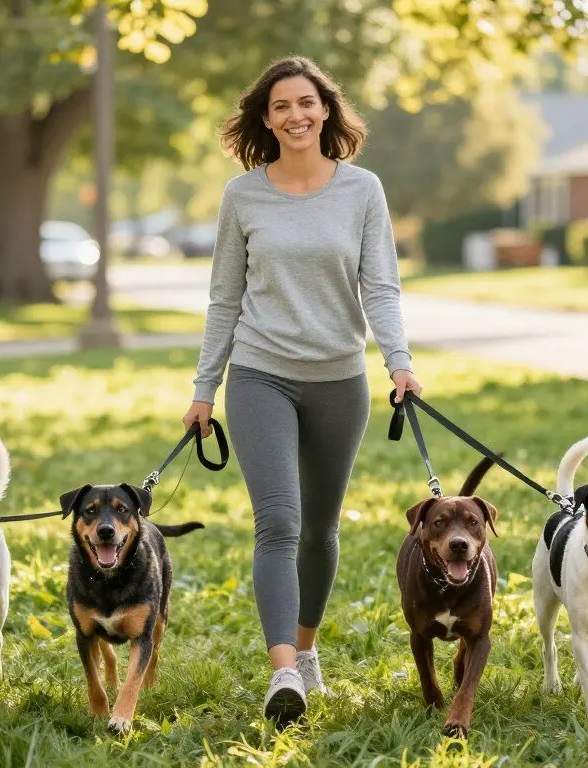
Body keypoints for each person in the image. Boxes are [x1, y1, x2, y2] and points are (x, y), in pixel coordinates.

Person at [181, 56, 423, 726]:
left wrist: (399, 362)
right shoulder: (243, 196)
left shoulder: (362, 190)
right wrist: (205, 389)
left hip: (341, 379)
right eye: (282, 105)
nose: (296, 115)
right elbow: (224, 299)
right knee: (279, 523)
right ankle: (282, 671)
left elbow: (380, 287)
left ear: (327, 110)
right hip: (260, 375)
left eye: (307, 103)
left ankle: (308, 652)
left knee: (319, 529)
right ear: (266, 117)